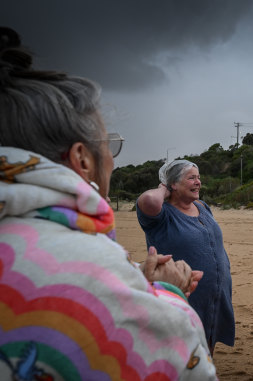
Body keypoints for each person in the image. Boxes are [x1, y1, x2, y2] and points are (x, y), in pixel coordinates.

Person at [0, 27, 217, 380]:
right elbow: (183, 362)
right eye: (110, 145)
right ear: (81, 158)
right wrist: (166, 292)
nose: (112, 161)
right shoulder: (82, 263)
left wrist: (136, 284)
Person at [136, 160, 235, 355]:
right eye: (191, 178)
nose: (198, 182)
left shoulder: (202, 206)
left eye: (198, 177)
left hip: (215, 292)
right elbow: (149, 200)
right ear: (173, 184)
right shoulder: (161, 215)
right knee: (185, 350)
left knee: (208, 342)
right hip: (185, 296)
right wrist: (163, 189)